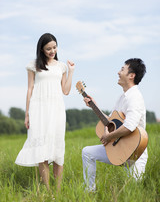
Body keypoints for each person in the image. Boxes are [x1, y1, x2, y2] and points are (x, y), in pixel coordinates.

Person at [15, 33, 75, 191]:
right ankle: (48, 190)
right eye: (48, 48)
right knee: (42, 150)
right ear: (41, 49)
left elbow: (66, 90)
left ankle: (58, 190)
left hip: (56, 109)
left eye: (54, 47)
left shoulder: (61, 66)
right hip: (39, 110)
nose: (52, 51)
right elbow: (30, 89)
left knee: (57, 148)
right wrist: (27, 113)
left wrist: (71, 71)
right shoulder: (33, 65)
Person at [82, 58, 148, 192]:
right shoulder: (122, 97)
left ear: (131, 75)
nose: (118, 72)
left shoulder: (134, 97)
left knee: (132, 194)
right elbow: (111, 121)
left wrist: (108, 137)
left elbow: (130, 126)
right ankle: (90, 191)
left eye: (122, 69)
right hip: (119, 148)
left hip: (135, 153)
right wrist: (94, 106)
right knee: (87, 152)